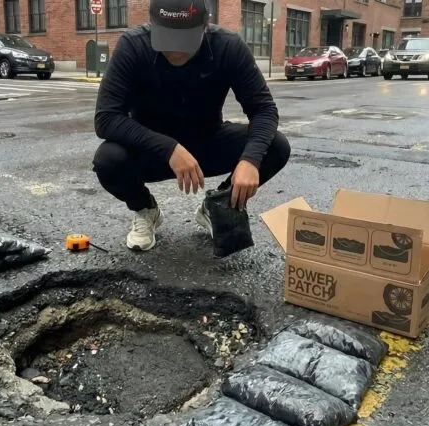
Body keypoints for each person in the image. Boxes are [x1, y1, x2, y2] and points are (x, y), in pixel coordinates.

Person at [92, 0, 290, 251]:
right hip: (152, 151)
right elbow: (106, 118)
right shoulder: (133, 45)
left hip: (206, 141)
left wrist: (250, 160)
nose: (176, 51)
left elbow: (264, 109)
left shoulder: (227, 46)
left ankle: (216, 206)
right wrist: (169, 148)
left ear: (205, 26)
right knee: (108, 159)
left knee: (275, 146)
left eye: (185, 40)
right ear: (153, 26)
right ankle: (145, 209)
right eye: (167, 39)